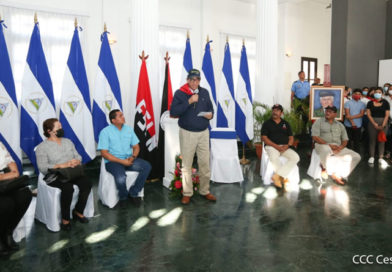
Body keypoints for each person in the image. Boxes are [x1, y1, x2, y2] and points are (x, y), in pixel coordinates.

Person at [36, 118, 92, 231]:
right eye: (59, 127)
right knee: (68, 188)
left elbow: (78, 156)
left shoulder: (68, 141)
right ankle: (65, 219)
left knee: (87, 183)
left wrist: (75, 161)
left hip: (72, 171)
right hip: (56, 175)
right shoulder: (42, 147)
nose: (61, 129)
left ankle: (78, 211)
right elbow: (42, 168)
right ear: (49, 131)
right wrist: (60, 165)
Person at [170, 68, 216, 205]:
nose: (195, 82)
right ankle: (187, 193)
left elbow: (211, 109)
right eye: (192, 80)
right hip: (188, 133)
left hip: (203, 132)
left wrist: (210, 115)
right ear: (188, 80)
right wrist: (189, 101)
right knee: (187, 165)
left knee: (204, 164)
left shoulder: (205, 92)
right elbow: (173, 111)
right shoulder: (180, 93)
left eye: (197, 80)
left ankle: (205, 191)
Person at [98, 110, 151, 207]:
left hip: (128, 159)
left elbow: (136, 147)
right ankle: (123, 197)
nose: (123, 117)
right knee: (121, 178)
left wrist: (133, 157)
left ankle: (134, 192)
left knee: (146, 166)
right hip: (113, 162)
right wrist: (122, 161)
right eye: (120, 116)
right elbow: (104, 153)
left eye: (123, 115)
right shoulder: (105, 132)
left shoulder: (129, 129)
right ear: (113, 120)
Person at [312, 106, 361, 185]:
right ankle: (326, 170)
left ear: (335, 114)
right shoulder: (319, 122)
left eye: (330, 112)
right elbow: (315, 137)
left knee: (356, 156)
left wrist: (340, 147)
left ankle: (341, 174)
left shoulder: (340, 125)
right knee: (326, 150)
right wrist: (329, 146)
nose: (327, 113)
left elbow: (345, 140)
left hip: (337, 146)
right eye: (326, 111)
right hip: (322, 145)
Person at [0, 142, 32, 255]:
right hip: (4, 178)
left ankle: (8, 232)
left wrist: (14, 172)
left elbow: (10, 160)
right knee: (6, 203)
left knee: (25, 195)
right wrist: (9, 175)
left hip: (6, 181)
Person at [261, 104, 300, 189]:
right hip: (271, 146)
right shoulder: (267, 123)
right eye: (274, 110)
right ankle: (282, 178)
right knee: (274, 158)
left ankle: (278, 176)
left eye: (277, 110)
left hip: (284, 147)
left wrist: (288, 145)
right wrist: (276, 147)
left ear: (281, 113)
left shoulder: (286, 123)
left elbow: (291, 137)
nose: (275, 112)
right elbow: (264, 138)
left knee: (296, 157)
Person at [366, 87, 390, 167]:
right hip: (372, 123)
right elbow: (368, 114)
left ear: (382, 94)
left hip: (384, 123)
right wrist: (374, 123)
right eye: (376, 92)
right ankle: (372, 156)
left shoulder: (386, 102)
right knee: (372, 140)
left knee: (382, 140)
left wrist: (383, 125)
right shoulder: (370, 103)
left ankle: (380, 157)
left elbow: (387, 115)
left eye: (379, 92)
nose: (377, 93)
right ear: (374, 93)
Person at [344, 89, 366, 153]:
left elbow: (361, 114)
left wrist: (350, 117)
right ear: (352, 94)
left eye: (359, 94)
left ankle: (357, 155)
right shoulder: (347, 103)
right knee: (348, 141)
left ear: (361, 95)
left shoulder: (362, 104)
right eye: (356, 94)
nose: (357, 95)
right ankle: (348, 154)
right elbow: (347, 114)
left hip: (358, 125)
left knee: (357, 141)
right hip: (348, 124)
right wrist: (352, 122)